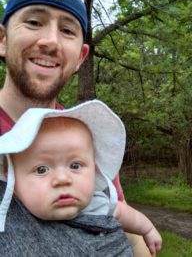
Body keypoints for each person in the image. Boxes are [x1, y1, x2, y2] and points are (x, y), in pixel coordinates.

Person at [0, 0, 160, 256]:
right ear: (2, 39)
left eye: (68, 31)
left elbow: (121, 225)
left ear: (80, 58)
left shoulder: (86, 136)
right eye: (34, 22)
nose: (50, 41)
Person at [0, 100, 161, 257]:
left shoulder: (97, 204)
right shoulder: (12, 218)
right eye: (42, 169)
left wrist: (147, 229)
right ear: (12, 180)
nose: (63, 179)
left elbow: (125, 214)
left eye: (75, 166)